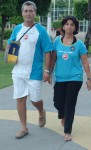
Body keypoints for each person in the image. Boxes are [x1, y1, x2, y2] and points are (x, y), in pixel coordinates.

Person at [6, 1, 53, 139]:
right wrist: (10, 52)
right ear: (22, 13)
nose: (28, 13)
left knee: (35, 99)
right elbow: (11, 43)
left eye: (30, 11)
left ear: (35, 12)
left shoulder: (41, 31)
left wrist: (47, 71)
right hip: (18, 71)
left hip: (35, 71)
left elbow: (48, 51)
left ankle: (41, 111)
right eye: (25, 11)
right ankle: (23, 127)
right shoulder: (17, 29)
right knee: (20, 99)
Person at [50, 16, 91, 141]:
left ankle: (67, 131)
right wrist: (48, 72)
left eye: (72, 24)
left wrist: (89, 78)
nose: (69, 26)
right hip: (60, 78)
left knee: (70, 103)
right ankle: (62, 115)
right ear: (63, 26)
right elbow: (53, 59)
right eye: (67, 24)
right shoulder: (57, 41)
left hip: (75, 78)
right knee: (57, 102)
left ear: (75, 28)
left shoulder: (79, 44)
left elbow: (85, 62)